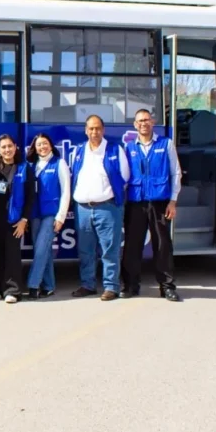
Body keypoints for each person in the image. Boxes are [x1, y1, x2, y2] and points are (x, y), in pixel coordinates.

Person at [121, 109, 182, 302]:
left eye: (146, 120)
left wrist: (173, 201)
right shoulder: (129, 148)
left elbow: (176, 173)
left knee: (163, 245)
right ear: (135, 125)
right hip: (136, 203)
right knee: (132, 246)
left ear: (152, 122)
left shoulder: (165, 144)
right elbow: (123, 178)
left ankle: (167, 287)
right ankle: (131, 285)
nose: (143, 123)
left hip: (160, 203)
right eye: (139, 121)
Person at [69, 115, 130, 301]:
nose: (94, 132)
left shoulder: (114, 149)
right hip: (83, 209)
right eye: (91, 129)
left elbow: (125, 178)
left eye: (97, 128)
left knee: (109, 250)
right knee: (86, 251)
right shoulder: (78, 151)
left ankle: (111, 287)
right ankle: (88, 285)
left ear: (103, 130)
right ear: (86, 130)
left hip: (107, 208)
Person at [0, 134, 34, 303]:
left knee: (13, 255)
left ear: (15, 147)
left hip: (15, 220)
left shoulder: (24, 168)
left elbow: (30, 196)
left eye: (10, 146)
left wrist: (24, 220)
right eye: (3, 147)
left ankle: (13, 291)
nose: (7, 150)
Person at [25, 133, 71, 299]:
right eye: (39, 144)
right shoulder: (32, 166)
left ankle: (33, 285)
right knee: (43, 250)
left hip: (52, 213)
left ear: (51, 145)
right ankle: (49, 285)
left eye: (45, 143)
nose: (42, 147)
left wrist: (61, 216)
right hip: (35, 213)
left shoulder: (60, 163)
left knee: (41, 248)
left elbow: (66, 191)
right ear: (34, 148)